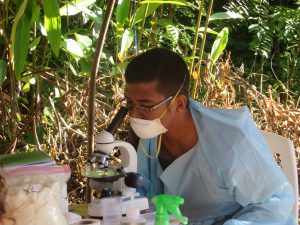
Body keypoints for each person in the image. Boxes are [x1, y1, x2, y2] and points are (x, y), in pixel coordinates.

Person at [123, 48, 296, 225]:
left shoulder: (231, 141)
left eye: (146, 106)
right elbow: (141, 200)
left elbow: (274, 204)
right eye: (129, 103)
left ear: (179, 103)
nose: (135, 115)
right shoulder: (150, 134)